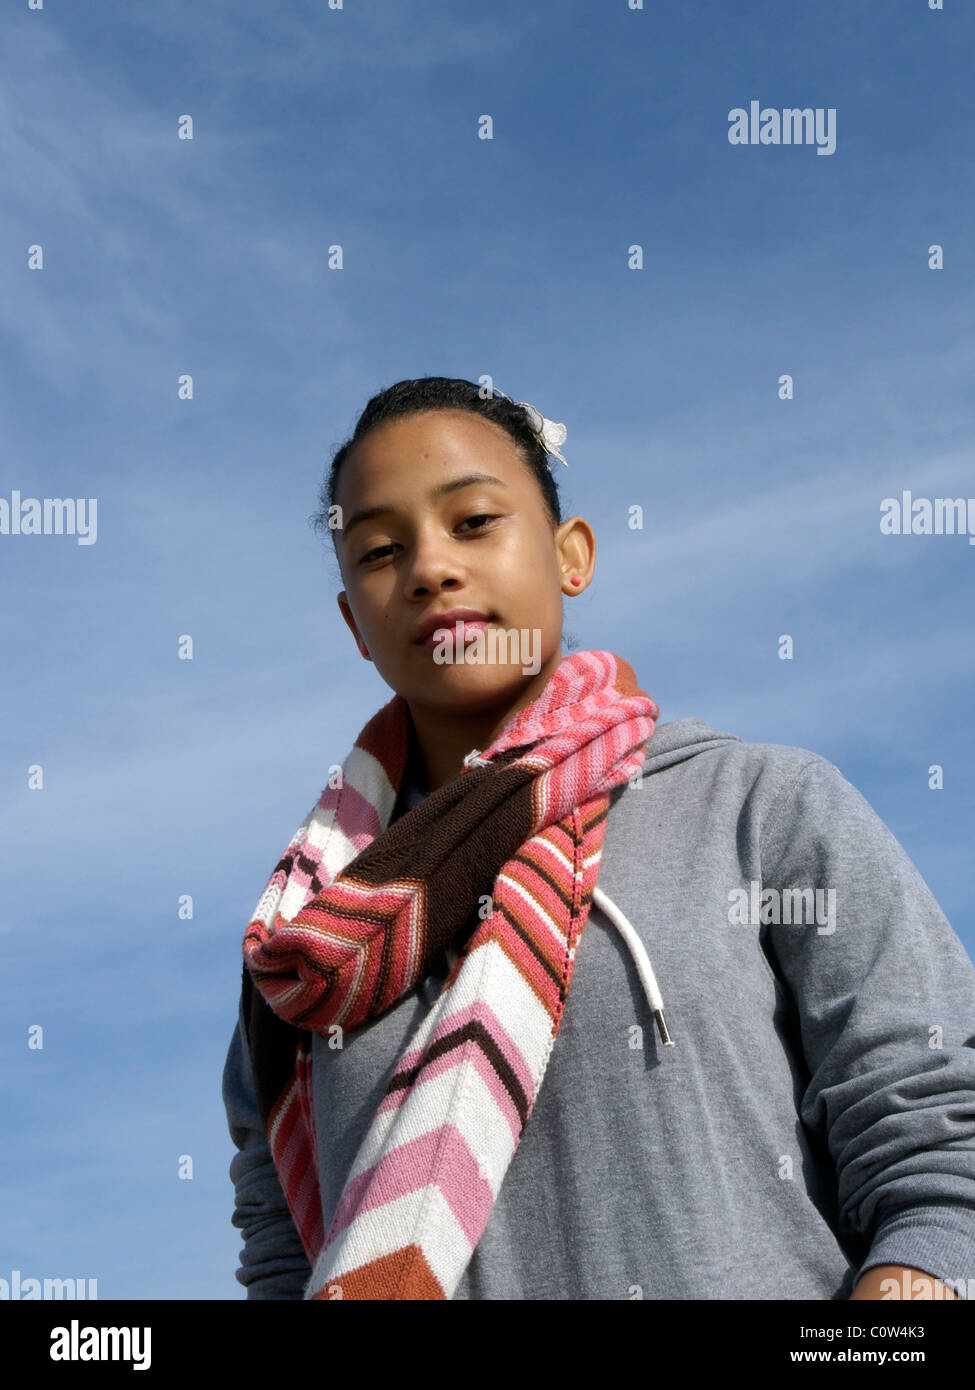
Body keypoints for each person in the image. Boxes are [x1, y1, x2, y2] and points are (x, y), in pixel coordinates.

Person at [222, 376, 975, 1300]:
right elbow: (282, 1249)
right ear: (353, 621)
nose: (428, 569)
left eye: (472, 522)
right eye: (380, 550)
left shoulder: (759, 808)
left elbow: (942, 1155)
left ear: (570, 554)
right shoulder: (303, 942)